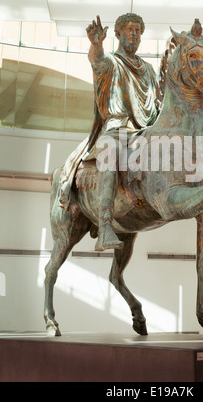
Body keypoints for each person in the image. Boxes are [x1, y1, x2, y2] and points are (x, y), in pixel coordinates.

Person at [59, 13, 162, 251]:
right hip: (117, 128)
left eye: (138, 30)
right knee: (110, 149)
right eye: (129, 29)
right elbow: (97, 61)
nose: (135, 33)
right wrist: (96, 44)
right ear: (117, 33)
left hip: (144, 132)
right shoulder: (111, 63)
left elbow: (158, 105)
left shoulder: (148, 69)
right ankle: (105, 224)